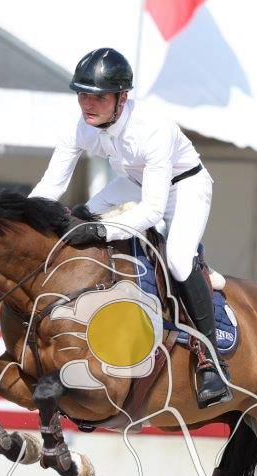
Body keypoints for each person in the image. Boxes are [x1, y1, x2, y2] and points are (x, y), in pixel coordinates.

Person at [30, 47, 231, 408]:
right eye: (82, 95)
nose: (88, 104)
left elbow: (152, 211)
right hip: (134, 183)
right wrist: (21, 217)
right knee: (82, 215)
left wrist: (103, 231)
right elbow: (51, 186)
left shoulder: (153, 129)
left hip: (185, 187)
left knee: (178, 260)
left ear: (122, 98)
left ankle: (211, 360)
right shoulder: (82, 127)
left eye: (99, 97)